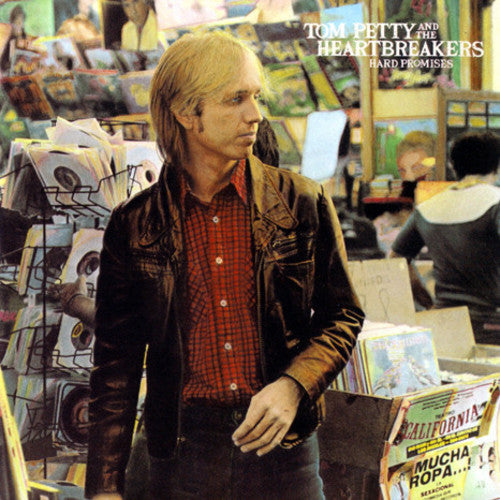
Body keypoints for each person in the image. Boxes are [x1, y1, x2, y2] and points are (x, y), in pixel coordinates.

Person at [84, 31, 364, 500]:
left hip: (285, 447)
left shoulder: (301, 201)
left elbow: (343, 315)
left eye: (255, 96)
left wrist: (294, 385)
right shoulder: (135, 225)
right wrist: (105, 487)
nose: (255, 114)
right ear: (186, 112)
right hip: (185, 452)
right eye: (235, 99)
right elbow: (115, 364)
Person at [391, 131, 500, 344]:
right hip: (493, 326)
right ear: (496, 166)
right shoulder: (496, 202)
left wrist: (425, 299)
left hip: (445, 325)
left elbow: (395, 259)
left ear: (453, 166)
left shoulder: (427, 208)